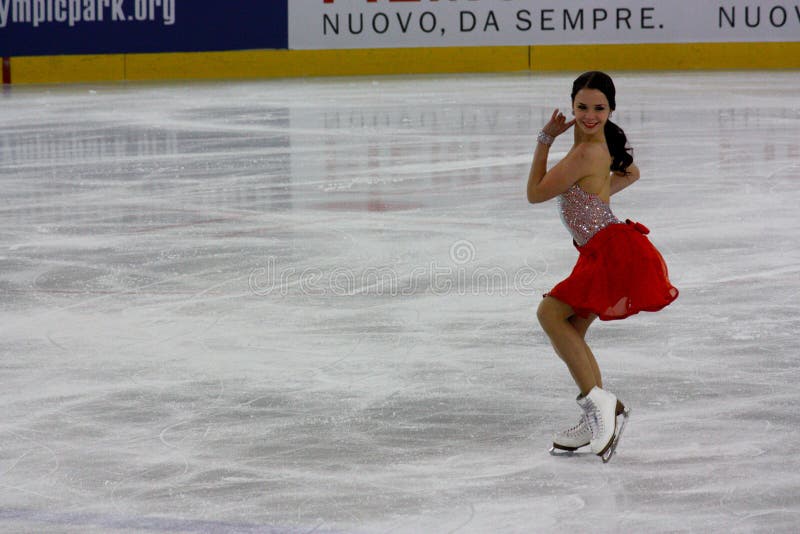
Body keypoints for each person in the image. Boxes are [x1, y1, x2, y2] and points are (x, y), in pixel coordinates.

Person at [526, 71, 678, 462]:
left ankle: (599, 404)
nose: (590, 115)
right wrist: (598, 198)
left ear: (611, 109)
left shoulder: (585, 152)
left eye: (599, 108)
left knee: (550, 314)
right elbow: (632, 172)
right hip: (605, 249)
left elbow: (535, 193)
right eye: (582, 107)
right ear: (573, 105)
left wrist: (545, 138)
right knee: (571, 327)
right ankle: (599, 414)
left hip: (610, 250)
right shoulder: (598, 148)